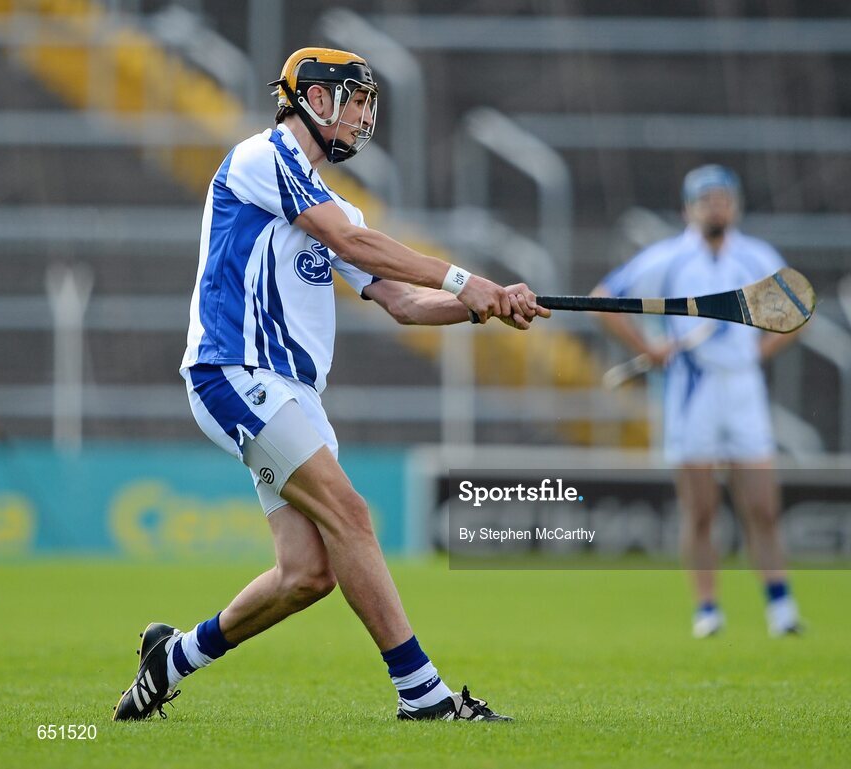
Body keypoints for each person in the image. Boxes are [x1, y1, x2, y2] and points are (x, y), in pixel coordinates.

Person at [113, 47, 548, 723]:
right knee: (352, 515)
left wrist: (486, 305)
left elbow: (401, 301)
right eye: (358, 98)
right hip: (233, 370)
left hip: (291, 393)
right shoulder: (263, 159)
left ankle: (169, 659)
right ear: (315, 100)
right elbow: (353, 246)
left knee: (308, 573)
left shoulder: (333, 202)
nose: (367, 114)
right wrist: (468, 279)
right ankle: (424, 695)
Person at [592, 165, 801, 638]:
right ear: (688, 208)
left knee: (763, 506)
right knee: (701, 509)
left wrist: (761, 351)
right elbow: (604, 297)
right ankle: (707, 610)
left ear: (736, 205)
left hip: (743, 391)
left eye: (724, 197)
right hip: (694, 393)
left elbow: (796, 310)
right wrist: (649, 349)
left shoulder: (756, 256)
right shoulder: (668, 258)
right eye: (706, 199)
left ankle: (780, 608)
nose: (716, 206)